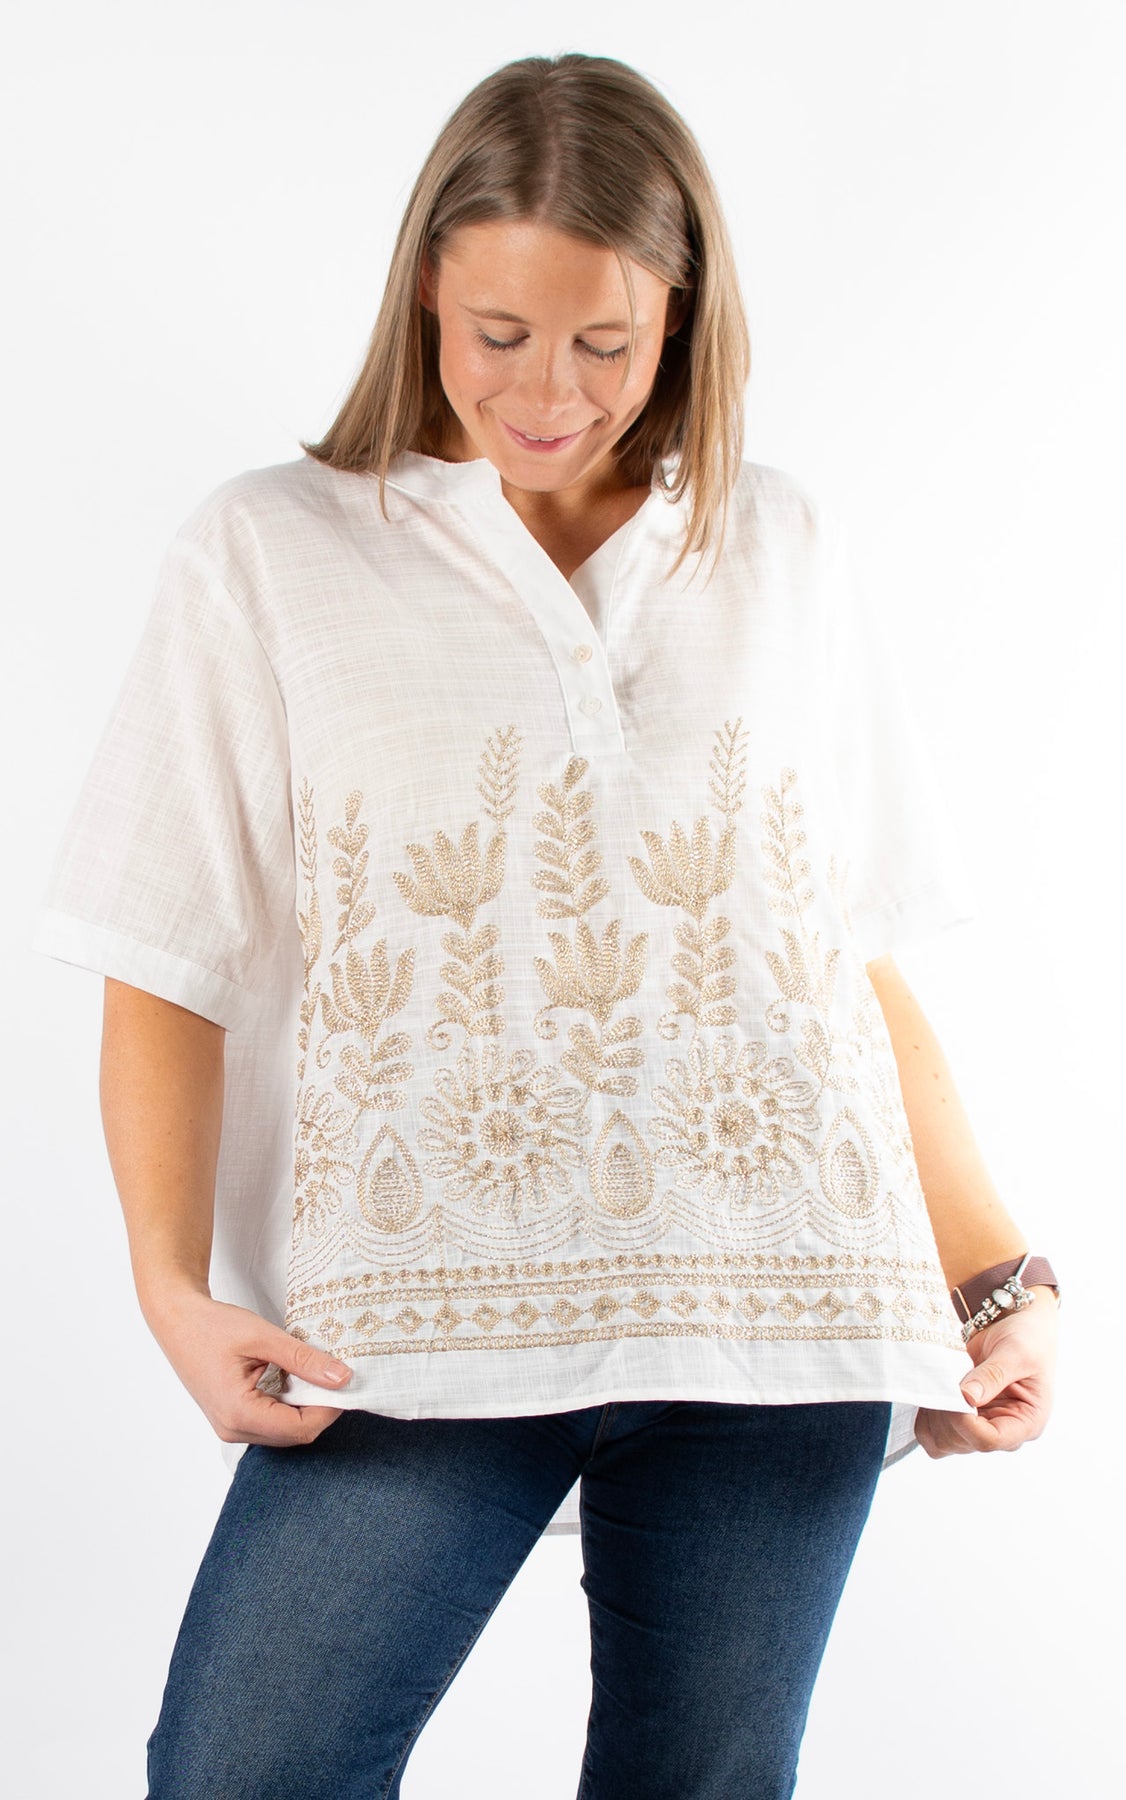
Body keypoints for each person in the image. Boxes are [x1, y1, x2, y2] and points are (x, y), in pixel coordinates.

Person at [32, 51, 1061, 1800]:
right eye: (499, 332)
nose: (548, 390)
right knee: (242, 1769)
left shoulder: (776, 542)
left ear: (683, 320)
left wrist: (995, 1278)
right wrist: (168, 1291)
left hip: (778, 1306)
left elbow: (834, 955)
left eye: (605, 341)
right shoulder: (271, 550)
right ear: (425, 289)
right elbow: (167, 951)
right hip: (413, 1324)